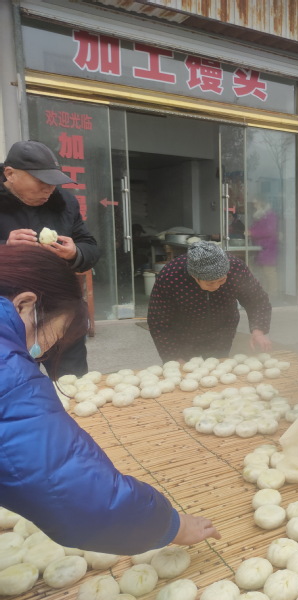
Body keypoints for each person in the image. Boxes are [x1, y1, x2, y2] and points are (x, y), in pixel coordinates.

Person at [0, 245, 220, 553]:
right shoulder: (8, 371)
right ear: (25, 304)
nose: (44, 350)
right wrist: (170, 525)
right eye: (52, 334)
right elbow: (73, 490)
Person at [0, 140, 100, 378]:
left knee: (74, 382)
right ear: (10, 174)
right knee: (17, 383)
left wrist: (75, 253)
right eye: (41, 182)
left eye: (53, 183)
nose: (49, 190)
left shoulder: (65, 202)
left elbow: (90, 247)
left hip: (61, 311)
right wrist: (5, 247)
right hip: (9, 316)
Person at [147, 240, 272, 362]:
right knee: (185, 371)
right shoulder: (171, 276)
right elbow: (158, 321)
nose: (216, 286)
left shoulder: (236, 268)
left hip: (222, 330)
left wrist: (258, 331)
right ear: (194, 277)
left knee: (217, 367)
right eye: (210, 283)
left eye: (222, 280)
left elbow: (257, 300)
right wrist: (173, 356)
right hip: (183, 333)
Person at [249, 204, 280, 294]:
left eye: (256, 204)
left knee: (269, 271)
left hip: (268, 247)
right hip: (261, 247)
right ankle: (267, 292)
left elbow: (268, 231)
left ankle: (273, 293)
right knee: (263, 272)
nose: (255, 206)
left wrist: (252, 232)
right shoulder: (259, 216)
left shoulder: (270, 215)